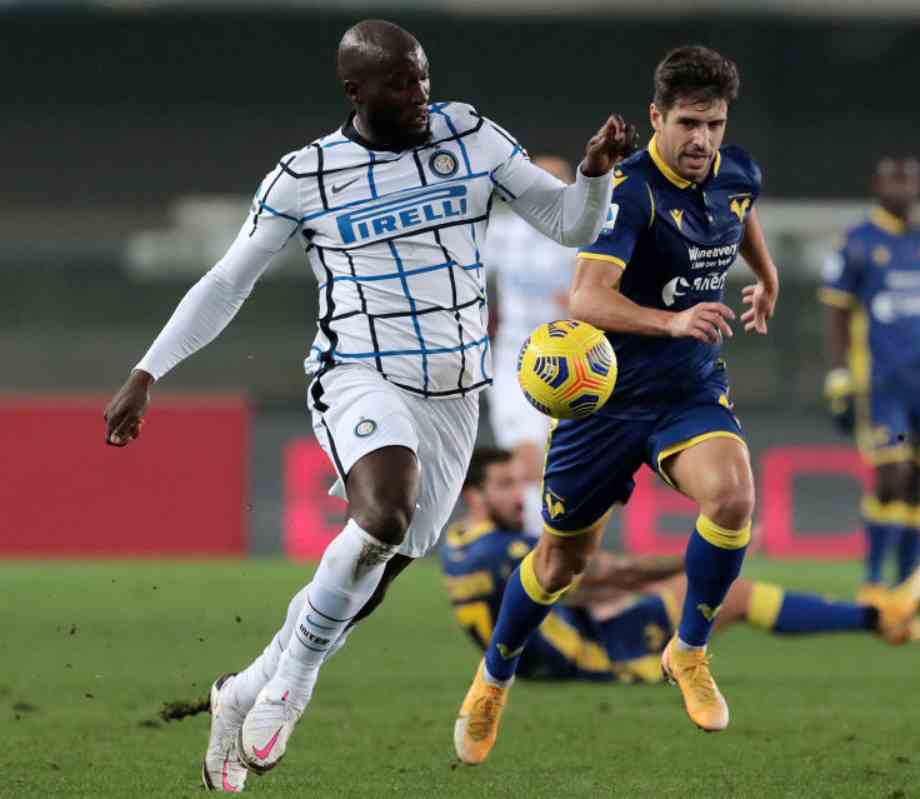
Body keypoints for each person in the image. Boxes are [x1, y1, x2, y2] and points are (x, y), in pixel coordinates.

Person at [101, 18, 631, 791]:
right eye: (401, 82)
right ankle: (293, 685)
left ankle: (241, 690)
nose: (421, 94)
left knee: (372, 576)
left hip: (456, 392)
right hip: (359, 372)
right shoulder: (305, 175)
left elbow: (567, 223)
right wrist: (149, 369)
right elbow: (225, 282)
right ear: (356, 90)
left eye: (422, 76)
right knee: (382, 512)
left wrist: (592, 173)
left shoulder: (470, 135)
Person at [452, 45, 920, 766]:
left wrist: (766, 277)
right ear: (656, 117)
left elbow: (739, 214)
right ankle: (493, 675)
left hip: (687, 389)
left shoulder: (736, 170)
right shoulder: (630, 191)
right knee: (559, 564)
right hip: (606, 401)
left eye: (713, 122)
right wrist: (670, 319)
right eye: (687, 123)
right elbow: (586, 296)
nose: (702, 139)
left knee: (735, 495)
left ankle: (691, 648)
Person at [443, 449, 920, 685]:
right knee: (730, 593)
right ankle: (881, 616)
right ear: (475, 496)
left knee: (684, 590)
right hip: (591, 658)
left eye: (517, 483)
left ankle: (883, 616)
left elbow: (574, 590)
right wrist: (706, 557)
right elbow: (614, 574)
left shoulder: (462, 546)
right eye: (504, 485)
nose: (518, 495)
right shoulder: (505, 551)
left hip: (560, 643)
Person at [819, 156, 920, 632]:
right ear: (877, 185)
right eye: (892, 179)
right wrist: (839, 376)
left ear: (918, 186)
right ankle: (870, 584)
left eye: (908, 180)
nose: (901, 188)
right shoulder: (859, 242)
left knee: (918, 484)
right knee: (892, 475)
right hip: (881, 385)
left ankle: (905, 596)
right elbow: (837, 313)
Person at [484, 155, 580, 534]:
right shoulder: (504, 233)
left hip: (574, 368)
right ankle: (533, 546)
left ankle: (559, 547)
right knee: (525, 458)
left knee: (560, 464)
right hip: (514, 361)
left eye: (554, 184)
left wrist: (579, 304)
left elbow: (609, 296)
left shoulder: (583, 238)